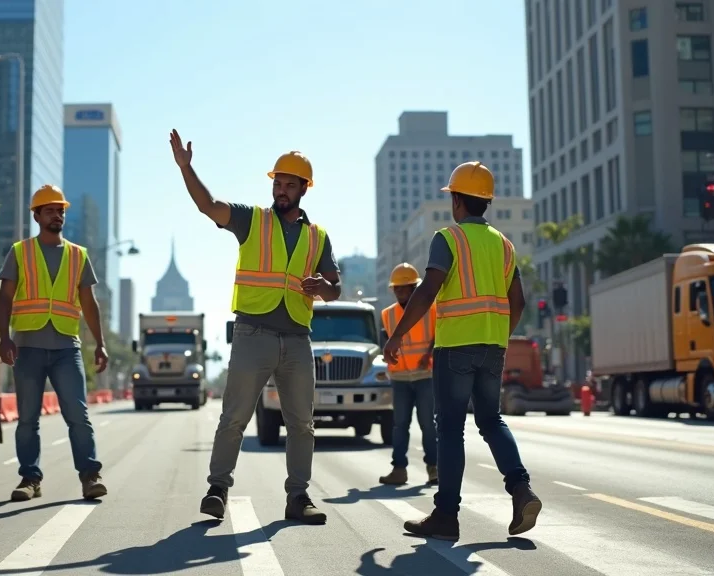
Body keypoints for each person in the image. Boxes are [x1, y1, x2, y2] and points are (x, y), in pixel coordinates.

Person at [168, 129, 341, 525]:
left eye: (289, 185)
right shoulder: (252, 220)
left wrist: (324, 289)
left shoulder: (319, 237)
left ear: (303, 190)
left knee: (301, 424)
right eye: (277, 183)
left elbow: (335, 287)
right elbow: (208, 205)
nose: (281, 190)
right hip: (253, 334)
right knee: (234, 417)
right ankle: (217, 489)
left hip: (298, 338)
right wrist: (186, 168)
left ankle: (298, 497)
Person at [382, 161, 540, 542]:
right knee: (491, 420)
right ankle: (521, 489)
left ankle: (446, 516)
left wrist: (397, 335)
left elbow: (426, 292)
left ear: (456, 200)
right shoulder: (504, 244)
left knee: (450, 428)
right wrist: (498, 334)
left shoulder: (448, 238)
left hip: (455, 349)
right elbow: (518, 300)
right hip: (492, 347)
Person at [0, 184, 109, 503]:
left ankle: (90, 476)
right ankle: (30, 479)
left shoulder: (78, 255)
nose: (57, 215)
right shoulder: (20, 252)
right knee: (28, 418)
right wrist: (4, 337)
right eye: (50, 211)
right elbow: (4, 299)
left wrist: (100, 343)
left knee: (78, 415)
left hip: (66, 349)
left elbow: (90, 303)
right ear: (36, 216)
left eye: (60, 210)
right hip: (27, 347)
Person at [378, 263, 438, 487]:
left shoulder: (431, 309)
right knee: (399, 425)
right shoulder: (387, 315)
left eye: (404, 288)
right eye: (397, 288)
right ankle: (399, 470)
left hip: (425, 375)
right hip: (401, 378)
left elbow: (438, 336)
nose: (400, 292)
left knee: (428, 425)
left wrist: (428, 355)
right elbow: (387, 343)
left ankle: (434, 468)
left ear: (414, 288)